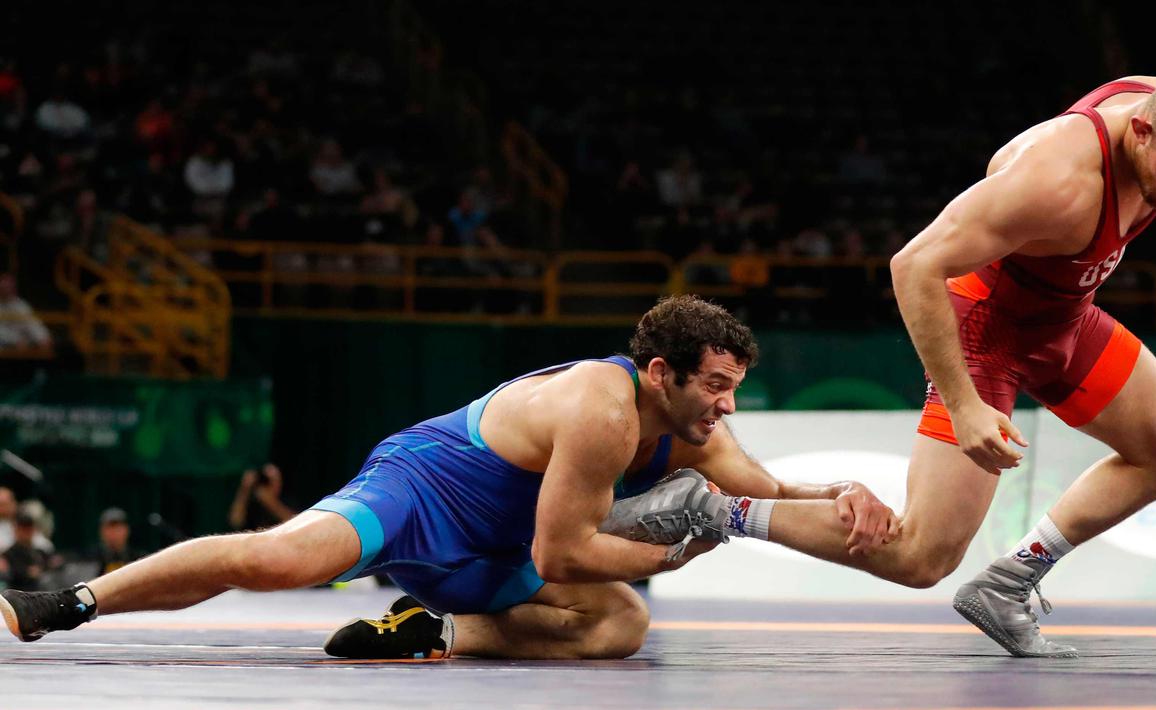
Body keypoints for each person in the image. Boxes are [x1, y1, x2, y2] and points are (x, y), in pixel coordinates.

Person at [0, 296, 898, 659]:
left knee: (618, 629)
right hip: (420, 493)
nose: (726, 408)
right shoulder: (601, 405)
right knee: (280, 561)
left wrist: (842, 494)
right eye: (715, 387)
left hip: (493, 548)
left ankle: (434, 630)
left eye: (734, 390)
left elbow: (767, 486)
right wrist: (670, 557)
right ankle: (64, 603)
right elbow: (566, 547)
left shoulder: (695, 433)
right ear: (660, 372)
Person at [689, 66, 1156, 659]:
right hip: (985, 330)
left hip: (1065, 317)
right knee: (919, 556)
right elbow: (913, 265)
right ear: (1143, 130)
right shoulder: (1056, 182)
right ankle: (713, 509)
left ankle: (1007, 584)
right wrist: (966, 405)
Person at [228, 464, 298, 531]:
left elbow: (296, 524)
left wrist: (270, 501)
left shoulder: (288, 500)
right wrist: (245, 489)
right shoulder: (252, 502)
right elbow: (235, 521)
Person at [82, 508, 146, 577]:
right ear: (101, 531)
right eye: (109, 528)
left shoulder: (139, 558)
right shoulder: (89, 559)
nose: (114, 533)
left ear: (127, 530)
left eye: (118, 528)